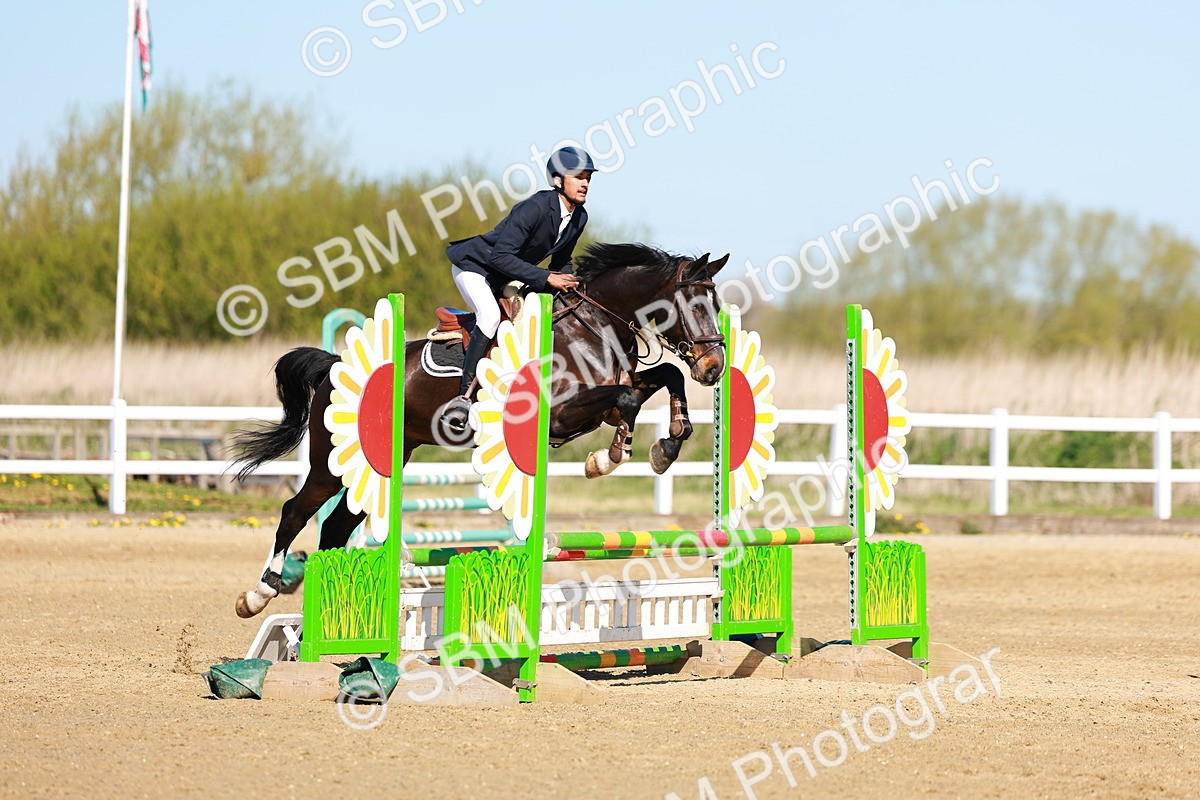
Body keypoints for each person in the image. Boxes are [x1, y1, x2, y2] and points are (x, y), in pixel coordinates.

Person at [441, 146, 593, 432]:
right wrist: (547, 278)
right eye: (578, 177)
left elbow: (562, 262)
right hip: (475, 267)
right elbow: (499, 256)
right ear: (559, 180)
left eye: (588, 178)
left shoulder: (579, 217)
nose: (585, 183)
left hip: (507, 275)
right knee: (489, 316)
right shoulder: (536, 207)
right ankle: (462, 396)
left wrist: (573, 286)